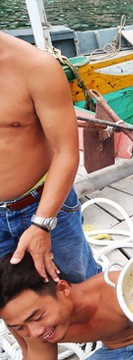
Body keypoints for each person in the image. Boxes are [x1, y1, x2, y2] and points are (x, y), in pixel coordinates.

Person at [0, 31, 101, 284]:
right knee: (10, 301)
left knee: (81, 283)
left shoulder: (36, 67)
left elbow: (65, 152)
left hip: (42, 204)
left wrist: (42, 224)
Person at [0, 252, 133, 360]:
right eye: (18, 327)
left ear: (63, 288)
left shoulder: (115, 289)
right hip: (110, 353)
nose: (34, 333)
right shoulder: (32, 325)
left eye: (38, 317)